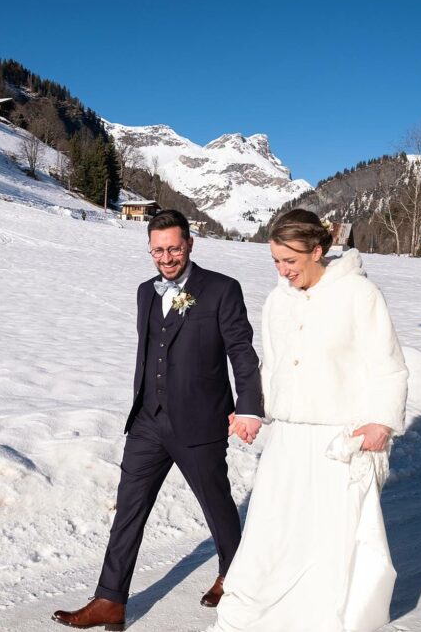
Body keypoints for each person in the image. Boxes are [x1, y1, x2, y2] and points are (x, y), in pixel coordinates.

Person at [53, 209, 263, 630]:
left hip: (200, 421)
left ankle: (236, 577)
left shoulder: (221, 289)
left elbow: (241, 351)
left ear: (190, 244)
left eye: (174, 249)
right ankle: (110, 600)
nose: (166, 258)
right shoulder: (145, 293)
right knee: (128, 510)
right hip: (148, 420)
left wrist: (249, 406)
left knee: (217, 505)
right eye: (158, 251)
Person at [211, 208, 408, 632]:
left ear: (317, 251)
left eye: (291, 261)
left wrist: (382, 421)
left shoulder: (358, 294)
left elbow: (387, 363)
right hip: (287, 440)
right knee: (275, 532)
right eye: (276, 261)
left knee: (327, 539)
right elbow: (273, 366)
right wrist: (253, 410)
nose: (283, 271)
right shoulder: (278, 301)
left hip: (336, 440)